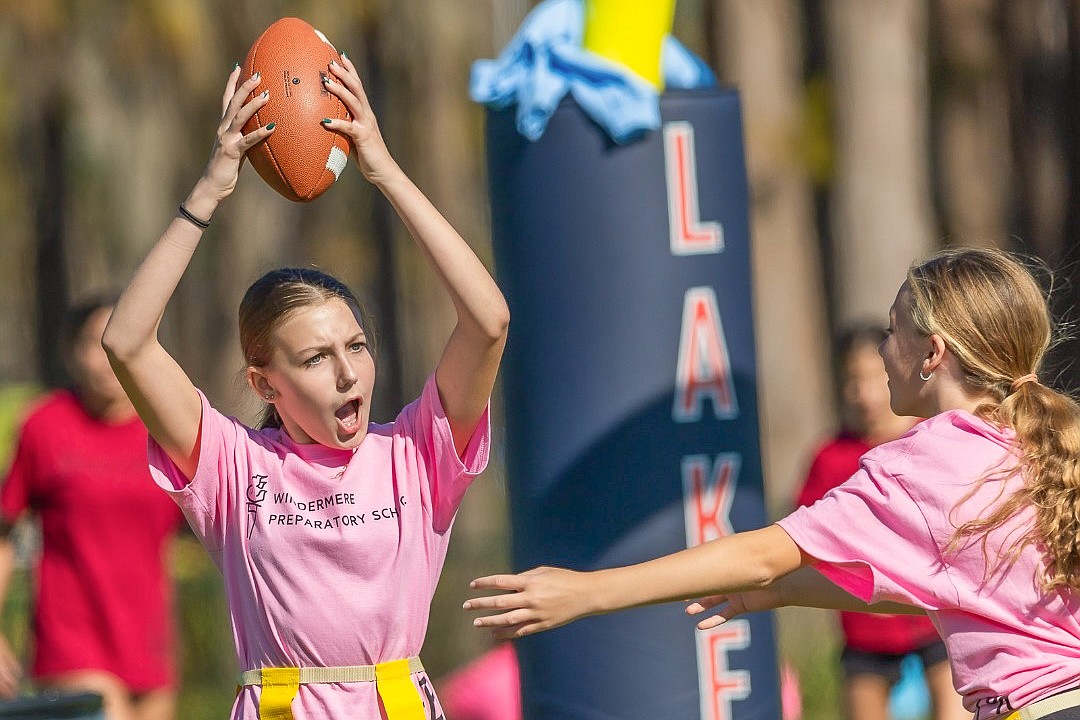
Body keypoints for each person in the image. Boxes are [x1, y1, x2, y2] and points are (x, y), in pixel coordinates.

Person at [466, 247, 1080, 719]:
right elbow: (957, 587)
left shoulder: (922, 464)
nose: (884, 349)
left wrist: (587, 593)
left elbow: (760, 554)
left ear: (931, 354)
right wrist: (787, 593)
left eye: (892, 333)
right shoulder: (1044, 442)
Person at [101, 58, 509, 720]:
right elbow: (127, 343)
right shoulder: (233, 467)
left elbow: (489, 322)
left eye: (356, 347)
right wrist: (208, 191)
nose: (348, 373)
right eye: (317, 358)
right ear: (266, 382)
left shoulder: (415, 452)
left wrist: (382, 170)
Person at [0, 297, 186, 720]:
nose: (107, 361)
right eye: (94, 345)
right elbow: (5, 535)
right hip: (71, 641)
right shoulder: (44, 425)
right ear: (71, 352)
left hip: (148, 643)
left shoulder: (167, 431)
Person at [796, 325, 966, 720]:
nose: (865, 394)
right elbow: (806, 535)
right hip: (865, 633)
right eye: (853, 382)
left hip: (934, 622)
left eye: (875, 379)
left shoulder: (929, 442)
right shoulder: (830, 457)